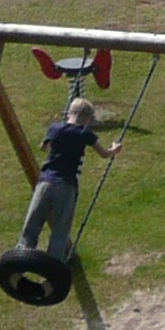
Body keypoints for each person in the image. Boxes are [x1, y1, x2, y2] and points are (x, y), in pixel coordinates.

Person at [20, 98, 120, 264]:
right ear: (87, 117)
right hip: (66, 185)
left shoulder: (55, 128)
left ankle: (20, 259)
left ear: (69, 113)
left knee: (32, 225)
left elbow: (43, 147)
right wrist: (115, 149)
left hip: (45, 182)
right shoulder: (84, 133)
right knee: (60, 231)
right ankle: (53, 267)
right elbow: (103, 153)